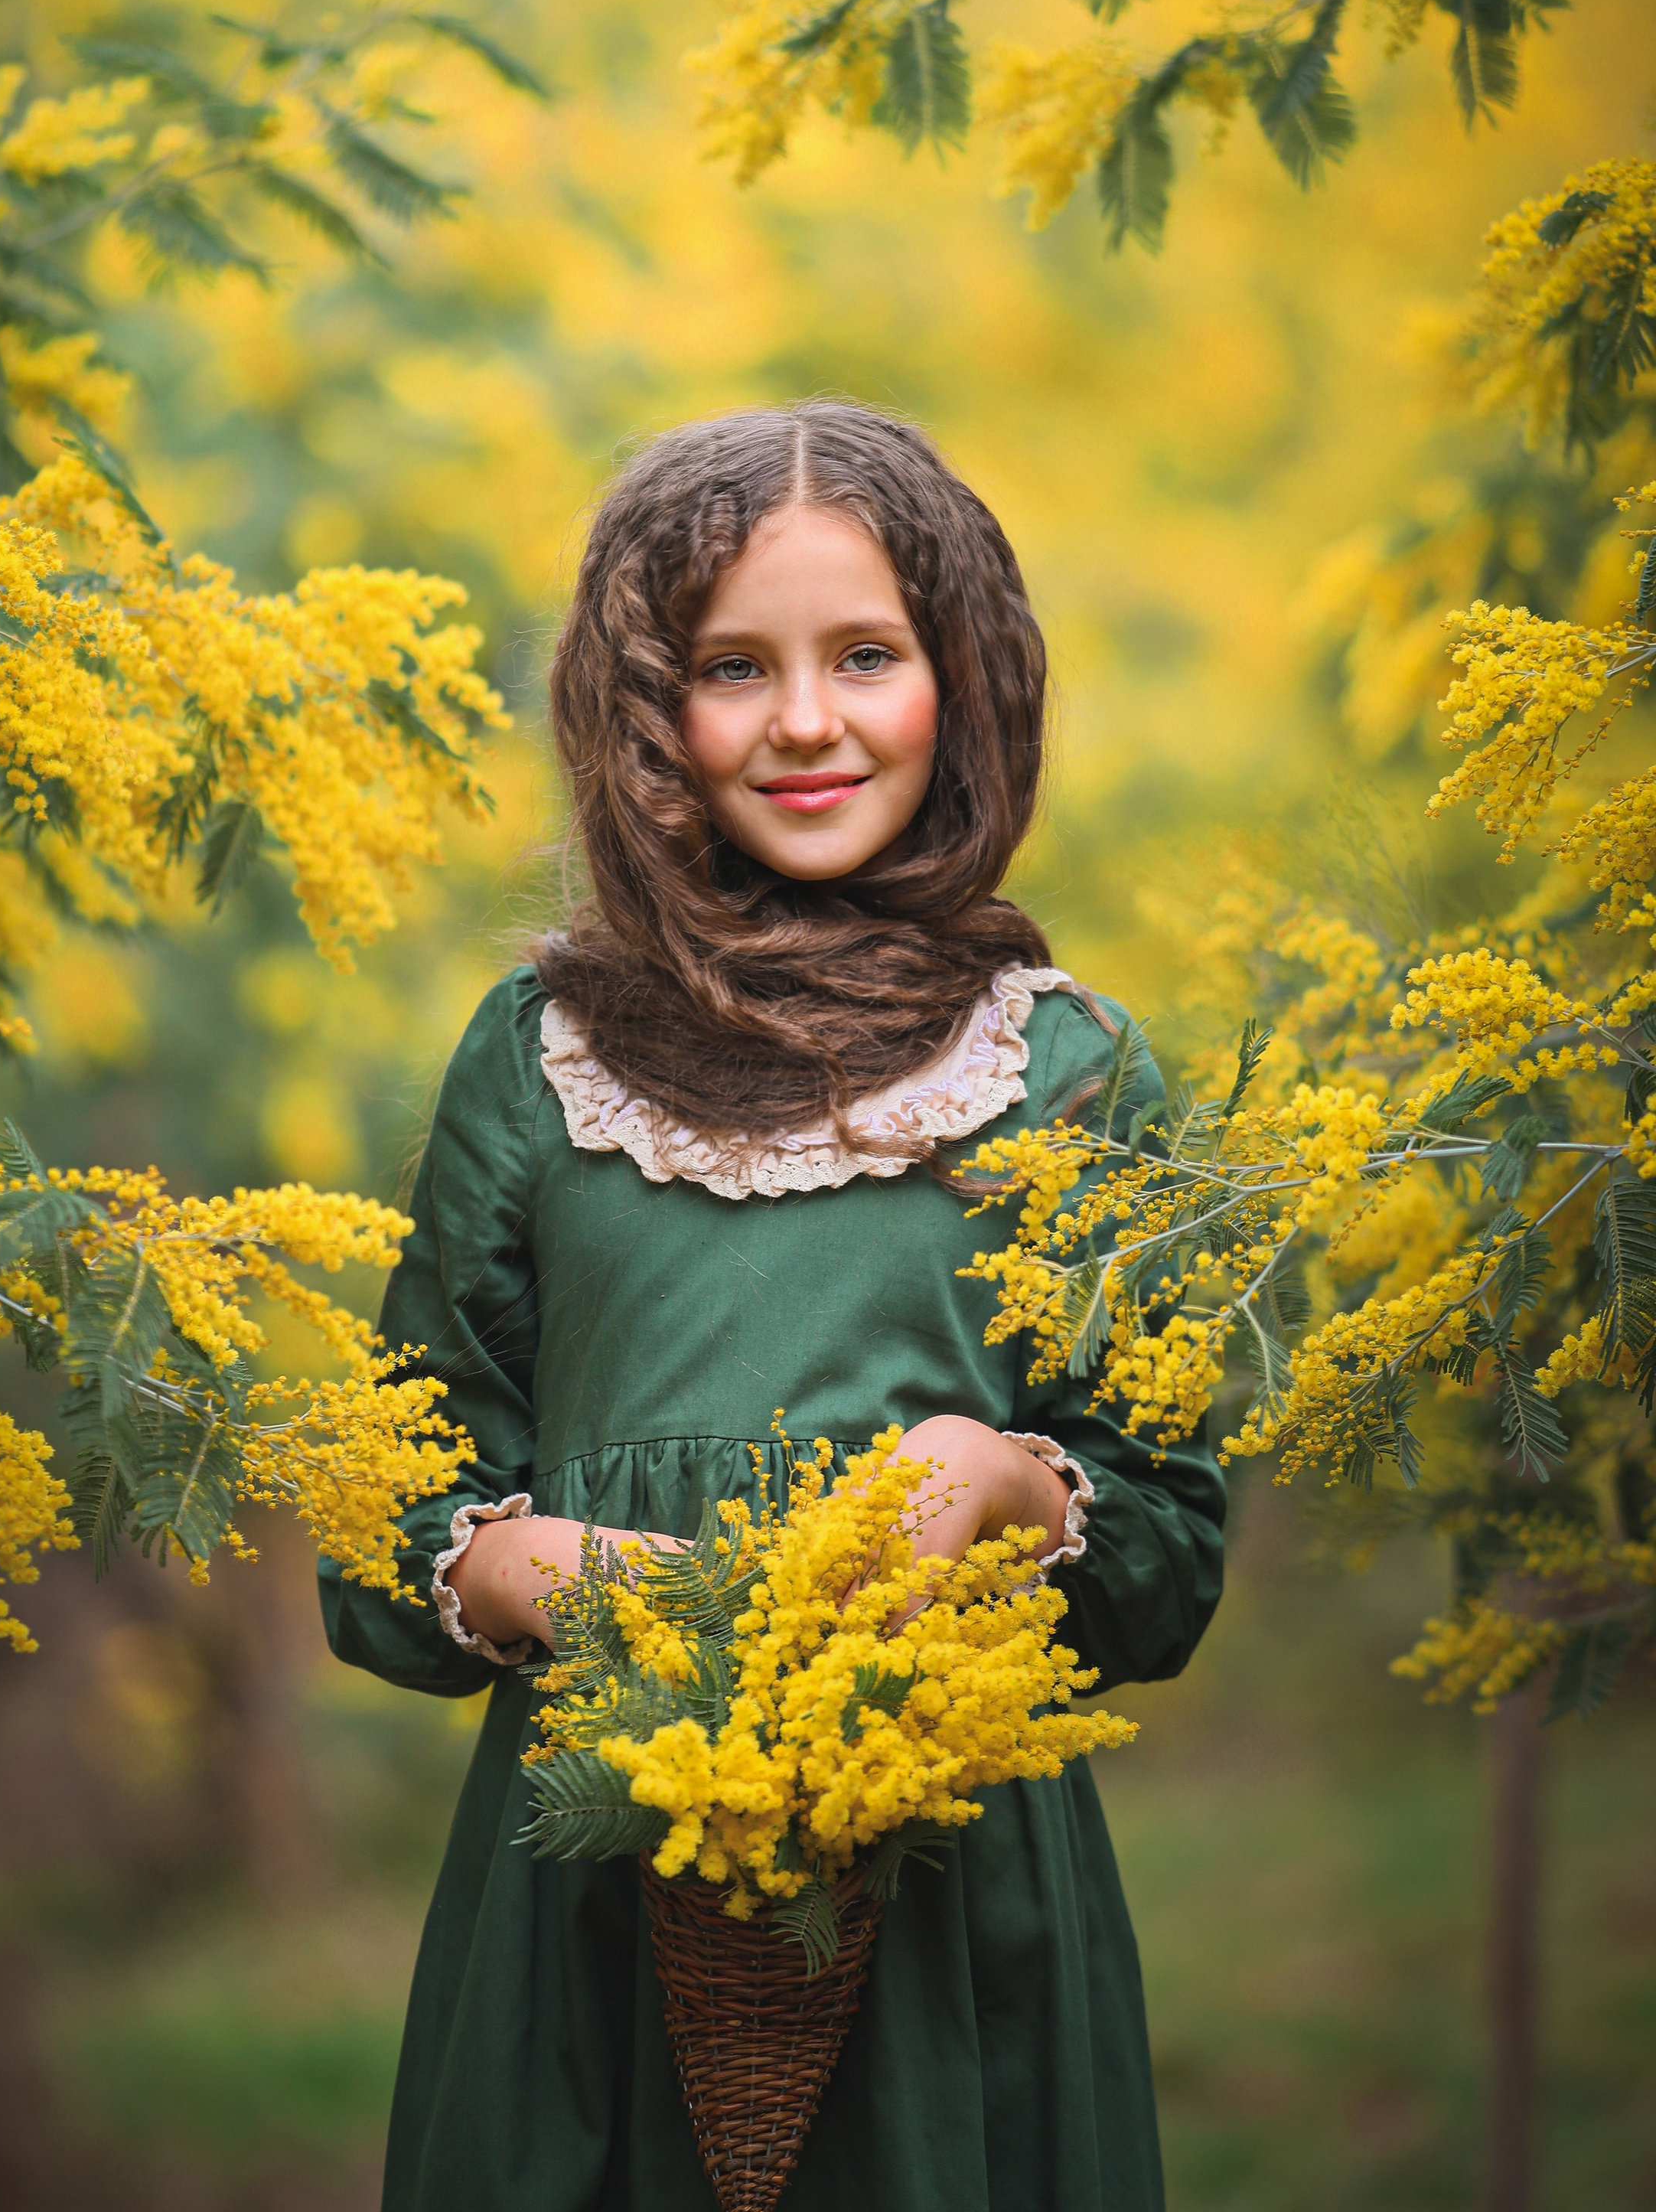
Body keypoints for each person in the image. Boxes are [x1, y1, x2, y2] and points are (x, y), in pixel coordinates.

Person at [322, 401, 1225, 2212]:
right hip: (586, 1894)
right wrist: (531, 1574)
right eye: (733, 667)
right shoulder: (537, 1059)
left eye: (866, 656)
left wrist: (1000, 1477)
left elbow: (1168, 1559)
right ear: (640, 708)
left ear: (964, 681)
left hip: (962, 1921)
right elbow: (379, 1521)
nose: (804, 722)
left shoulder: (1070, 1073)